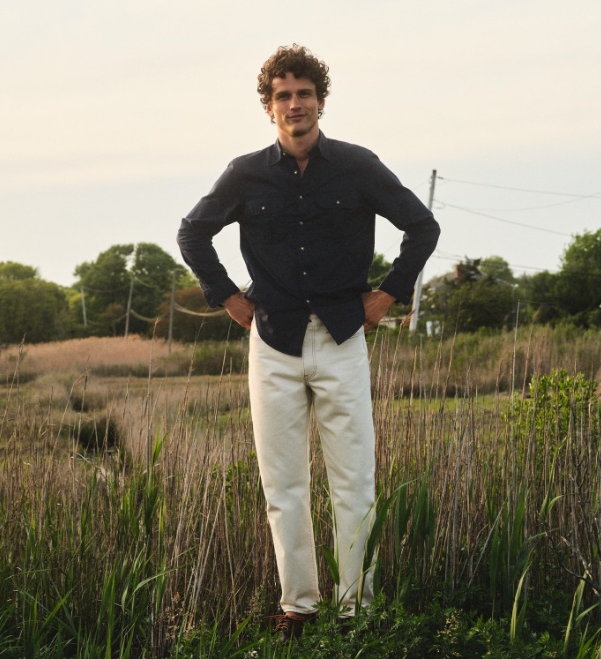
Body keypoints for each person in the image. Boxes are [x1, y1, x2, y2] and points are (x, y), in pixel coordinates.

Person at [177, 44, 440, 641]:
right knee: (284, 484)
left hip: (343, 337)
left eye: (304, 93)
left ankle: (357, 611)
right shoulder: (245, 173)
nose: (294, 104)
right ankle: (299, 606)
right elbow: (192, 232)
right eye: (282, 95)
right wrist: (228, 298)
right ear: (268, 107)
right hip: (272, 341)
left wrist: (389, 294)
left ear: (320, 99)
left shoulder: (357, 165)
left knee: (355, 482)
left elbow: (422, 227)